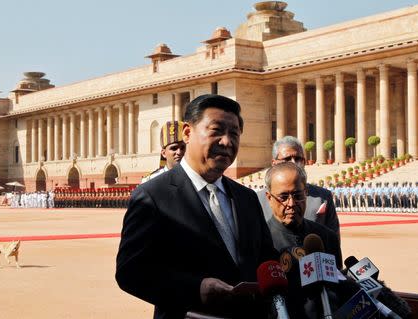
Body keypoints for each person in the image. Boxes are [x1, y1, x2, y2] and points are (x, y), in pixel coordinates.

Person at [116, 94, 278, 319]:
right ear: (187, 133)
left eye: (234, 133)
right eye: (216, 130)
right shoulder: (153, 196)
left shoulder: (247, 198)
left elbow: (265, 257)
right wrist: (195, 288)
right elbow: (130, 272)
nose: (227, 141)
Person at [264, 162, 343, 318]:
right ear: (269, 197)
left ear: (306, 192)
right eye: (283, 197)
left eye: (298, 196)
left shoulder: (327, 237)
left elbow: (337, 286)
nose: (291, 204)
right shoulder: (259, 240)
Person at [256, 136, 340, 237]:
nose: (294, 163)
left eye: (298, 158)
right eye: (287, 159)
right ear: (274, 163)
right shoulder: (256, 200)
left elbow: (333, 240)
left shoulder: (323, 197)